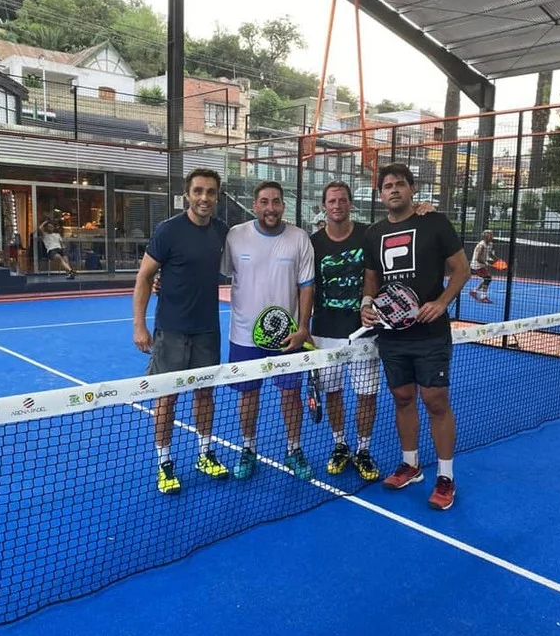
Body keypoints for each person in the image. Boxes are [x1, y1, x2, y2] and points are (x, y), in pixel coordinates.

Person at [362, 163, 468, 511]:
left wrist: (441, 302)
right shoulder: (374, 233)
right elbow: (372, 279)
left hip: (430, 334)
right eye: (387, 186)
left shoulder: (434, 222)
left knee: (435, 400)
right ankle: (410, 465)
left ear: (412, 189)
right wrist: (367, 304)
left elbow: (462, 269)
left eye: (399, 184)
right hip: (391, 335)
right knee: (402, 397)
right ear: (380, 195)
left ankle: (446, 477)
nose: (393, 190)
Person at [133, 169, 232, 495]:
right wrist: (140, 325)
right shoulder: (168, 231)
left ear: (217, 196)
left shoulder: (222, 232)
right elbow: (145, 277)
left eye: (211, 192)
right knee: (167, 398)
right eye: (199, 191)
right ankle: (164, 462)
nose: (205, 198)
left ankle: (205, 454)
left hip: (207, 331)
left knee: (205, 394)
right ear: (188, 194)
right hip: (171, 332)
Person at [221, 181, 316, 480]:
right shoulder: (236, 236)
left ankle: (294, 449)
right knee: (248, 395)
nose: (270, 207)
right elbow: (214, 272)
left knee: (290, 394)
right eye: (264, 201)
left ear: (283, 206)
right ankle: (248, 448)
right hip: (243, 335)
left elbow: (306, 286)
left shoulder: (299, 238)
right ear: (255, 205)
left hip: (286, 336)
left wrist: (303, 328)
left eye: (276, 201)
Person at [309, 181, 381, 481]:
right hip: (324, 332)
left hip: (363, 333)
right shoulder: (313, 243)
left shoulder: (368, 234)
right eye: (331, 201)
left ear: (351, 204)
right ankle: (340, 445)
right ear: (324, 206)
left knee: (366, 395)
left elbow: (372, 275)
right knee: (333, 393)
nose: (337, 205)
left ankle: (363, 450)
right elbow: (306, 287)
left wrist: (367, 302)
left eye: (342, 200)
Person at [40, 213, 76, 278]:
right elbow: (40, 228)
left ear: (53, 228)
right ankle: (70, 271)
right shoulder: (45, 235)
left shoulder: (57, 235)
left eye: (51, 227)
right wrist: (47, 221)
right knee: (59, 258)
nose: (50, 228)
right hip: (52, 250)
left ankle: (69, 273)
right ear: (46, 228)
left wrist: (64, 248)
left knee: (65, 258)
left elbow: (62, 243)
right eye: (48, 227)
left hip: (59, 248)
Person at [467, 229, 498, 303]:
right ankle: (483, 297)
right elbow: (477, 258)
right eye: (490, 235)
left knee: (487, 278)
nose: (492, 236)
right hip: (476, 265)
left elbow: (490, 254)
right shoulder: (481, 245)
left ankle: (474, 291)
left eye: (492, 234)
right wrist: (486, 263)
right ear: (485, 236)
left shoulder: (490, 244)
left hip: (482, 264)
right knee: (487, 278)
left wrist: (498, 261)